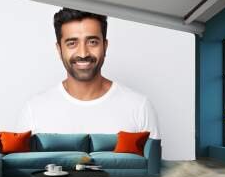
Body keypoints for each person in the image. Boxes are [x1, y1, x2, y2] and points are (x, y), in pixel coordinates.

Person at [17, 8, 160, 139]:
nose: (83, 53)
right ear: (59, 49)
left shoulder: (139, 107)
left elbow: (152, 166)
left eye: (92, 42)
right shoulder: (34, 111)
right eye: (72, 43)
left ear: (105, 46)